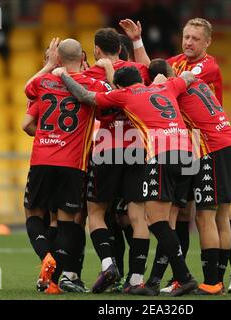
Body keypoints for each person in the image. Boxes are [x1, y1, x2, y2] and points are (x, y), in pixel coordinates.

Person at [120, 17, 231, 293]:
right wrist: (138, 42)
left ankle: (229, 275)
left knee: (217, 214)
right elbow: (154, 72)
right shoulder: (176, 62)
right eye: (186, 37)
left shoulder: (207, 66)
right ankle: (183, 278)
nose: (189, 42)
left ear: (207, 43)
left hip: (208, 144)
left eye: (195, 39)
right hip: (188, 146)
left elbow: (167, 82)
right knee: (184, 213)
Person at [55, 65, 199, 296]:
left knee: (156, 221)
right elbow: (189, 77)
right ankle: (170, 278)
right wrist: (175, 76)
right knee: (161, 219)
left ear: (121, 86)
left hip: (162, 153)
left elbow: (85, 96)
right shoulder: (165, 86)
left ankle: (184, 277)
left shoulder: (125, 94)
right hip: (188, 153)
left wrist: (62, 74)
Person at [22, 38, 110, 294]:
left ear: (57, 58)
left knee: (33, 215)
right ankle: (54, 277)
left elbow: (27, 89)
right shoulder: (92, 84)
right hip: (73, 164)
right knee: (67, 221)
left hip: (41, 160)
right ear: (81, 59)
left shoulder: (43, 83)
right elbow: (110, 94)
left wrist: (49, 65)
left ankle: (45, 256)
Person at [82, 28, 150, 293]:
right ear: (120, 49)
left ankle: (109, 264)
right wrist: (137, 40)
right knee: (137, 215)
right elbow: (153, 72)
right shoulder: (137, 70)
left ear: (97, 49)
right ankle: (136, 279)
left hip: (107, 147)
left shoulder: (90, 75)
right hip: (137, 148)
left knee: (96, 211)